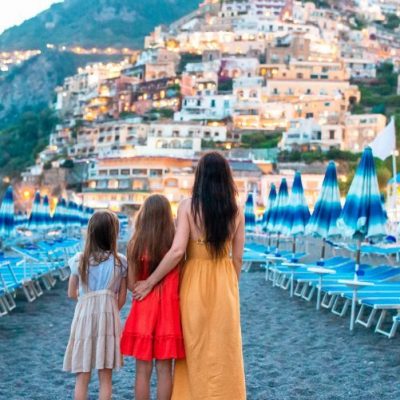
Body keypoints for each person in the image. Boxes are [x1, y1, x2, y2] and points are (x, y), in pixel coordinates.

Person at [134, 152, 246, 400]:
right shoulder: (237, 209)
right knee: (224, 347)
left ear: (200, 177)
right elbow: (238, 257)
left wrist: (151, 282)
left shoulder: (188, 205)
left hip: (193, 279)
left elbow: (176, 252)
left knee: (192, 347)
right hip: (224, 280)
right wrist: (230, 282)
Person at [121, 194, 185, 400]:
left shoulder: (135, 244)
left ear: (144, 215)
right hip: (169, 311)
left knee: (142, 371)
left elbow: (132, 285)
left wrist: (145, 285)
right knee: (165, 370)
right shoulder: (175, 244)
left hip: (143, 311)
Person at [63, 210, 127, 400]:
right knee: (105, 377)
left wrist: (86, 302)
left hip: (84, 318)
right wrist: (109, 308)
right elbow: (122, 297)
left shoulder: (79, 260)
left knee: (82, 376)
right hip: (108, 319)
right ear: (113, 234)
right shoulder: (120, 261)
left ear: (90, 232)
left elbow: (71, 292)